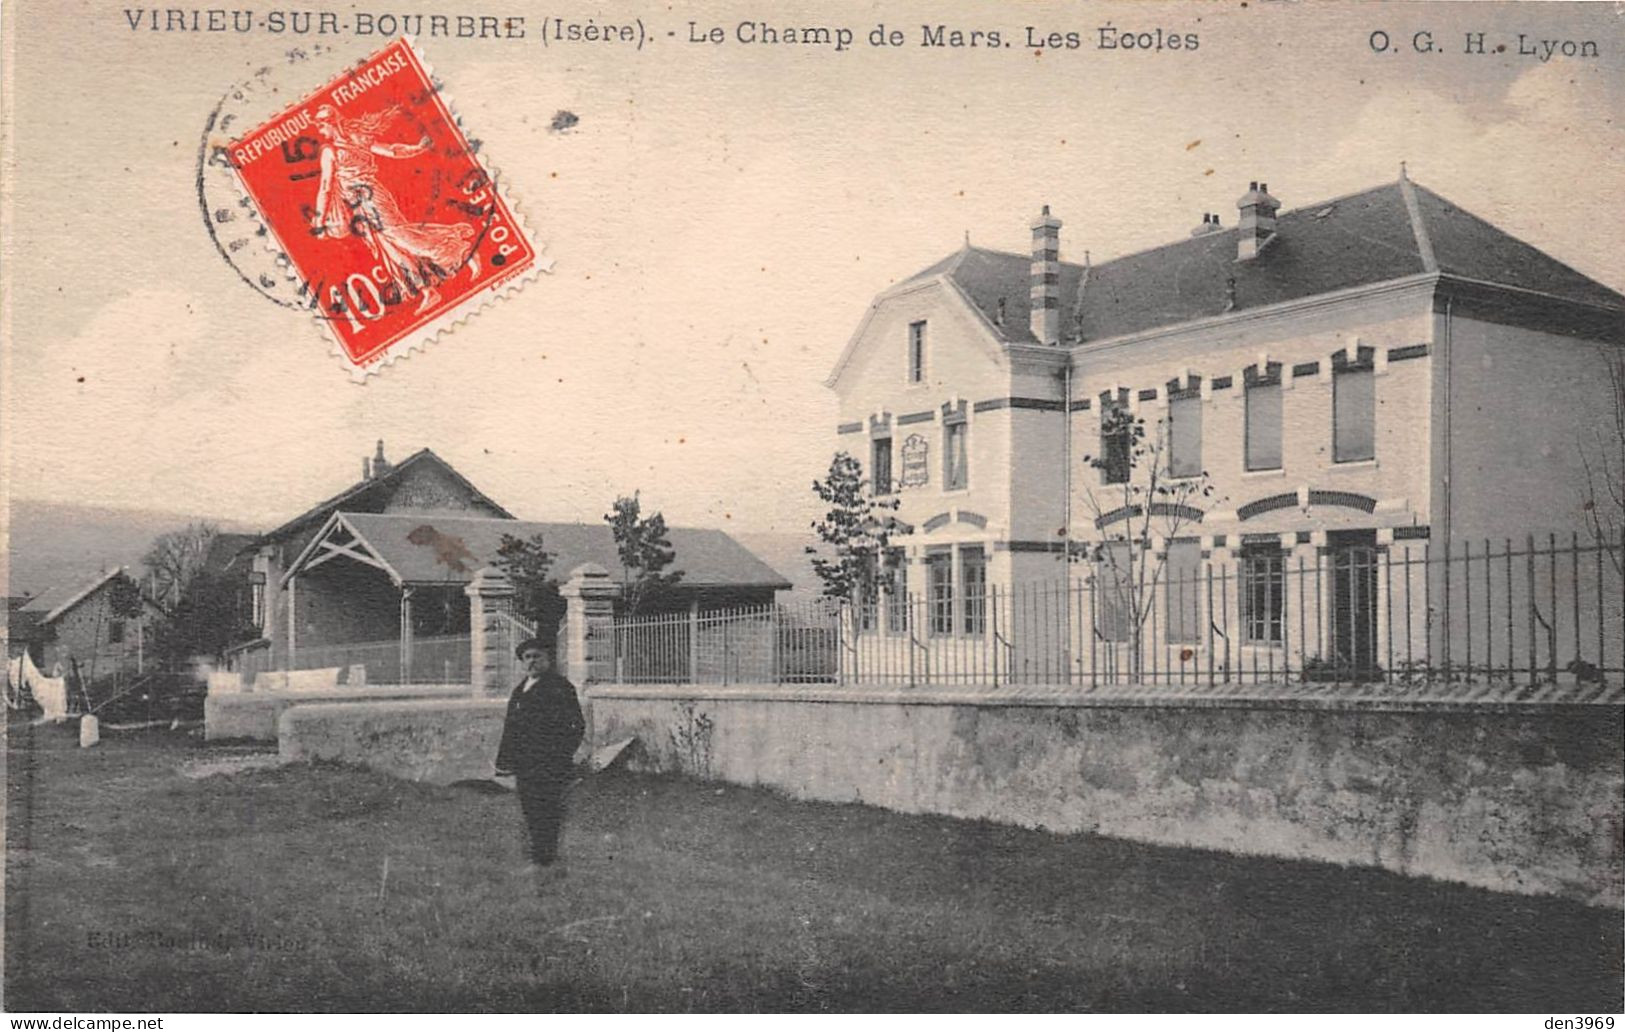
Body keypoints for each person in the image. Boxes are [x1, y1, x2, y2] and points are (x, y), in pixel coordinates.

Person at [307, 103, 478, 315]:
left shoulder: (331, 151)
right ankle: (427, 292)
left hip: (371, 197)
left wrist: (319, 219)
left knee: (401, 236)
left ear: (330, 123)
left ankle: (456, 248)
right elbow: (393, 150)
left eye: (321, 126)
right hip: (359, 205)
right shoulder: (357, 139)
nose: (320, 131)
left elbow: (325, 187)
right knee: (392, 250)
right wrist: (416, 148)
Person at [494, 638, 585, 879]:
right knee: (530, 809)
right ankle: (538, 858)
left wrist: (559, 755)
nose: (532, 661)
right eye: (527, 657)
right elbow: (511, 728)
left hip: (549, 764)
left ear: (548, 659)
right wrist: (504, 761)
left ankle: (546, 860)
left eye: (537, 656)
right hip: (525, 765)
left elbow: (576, 726)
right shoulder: (520, 689)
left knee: (547, 810)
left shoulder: (559, 687)